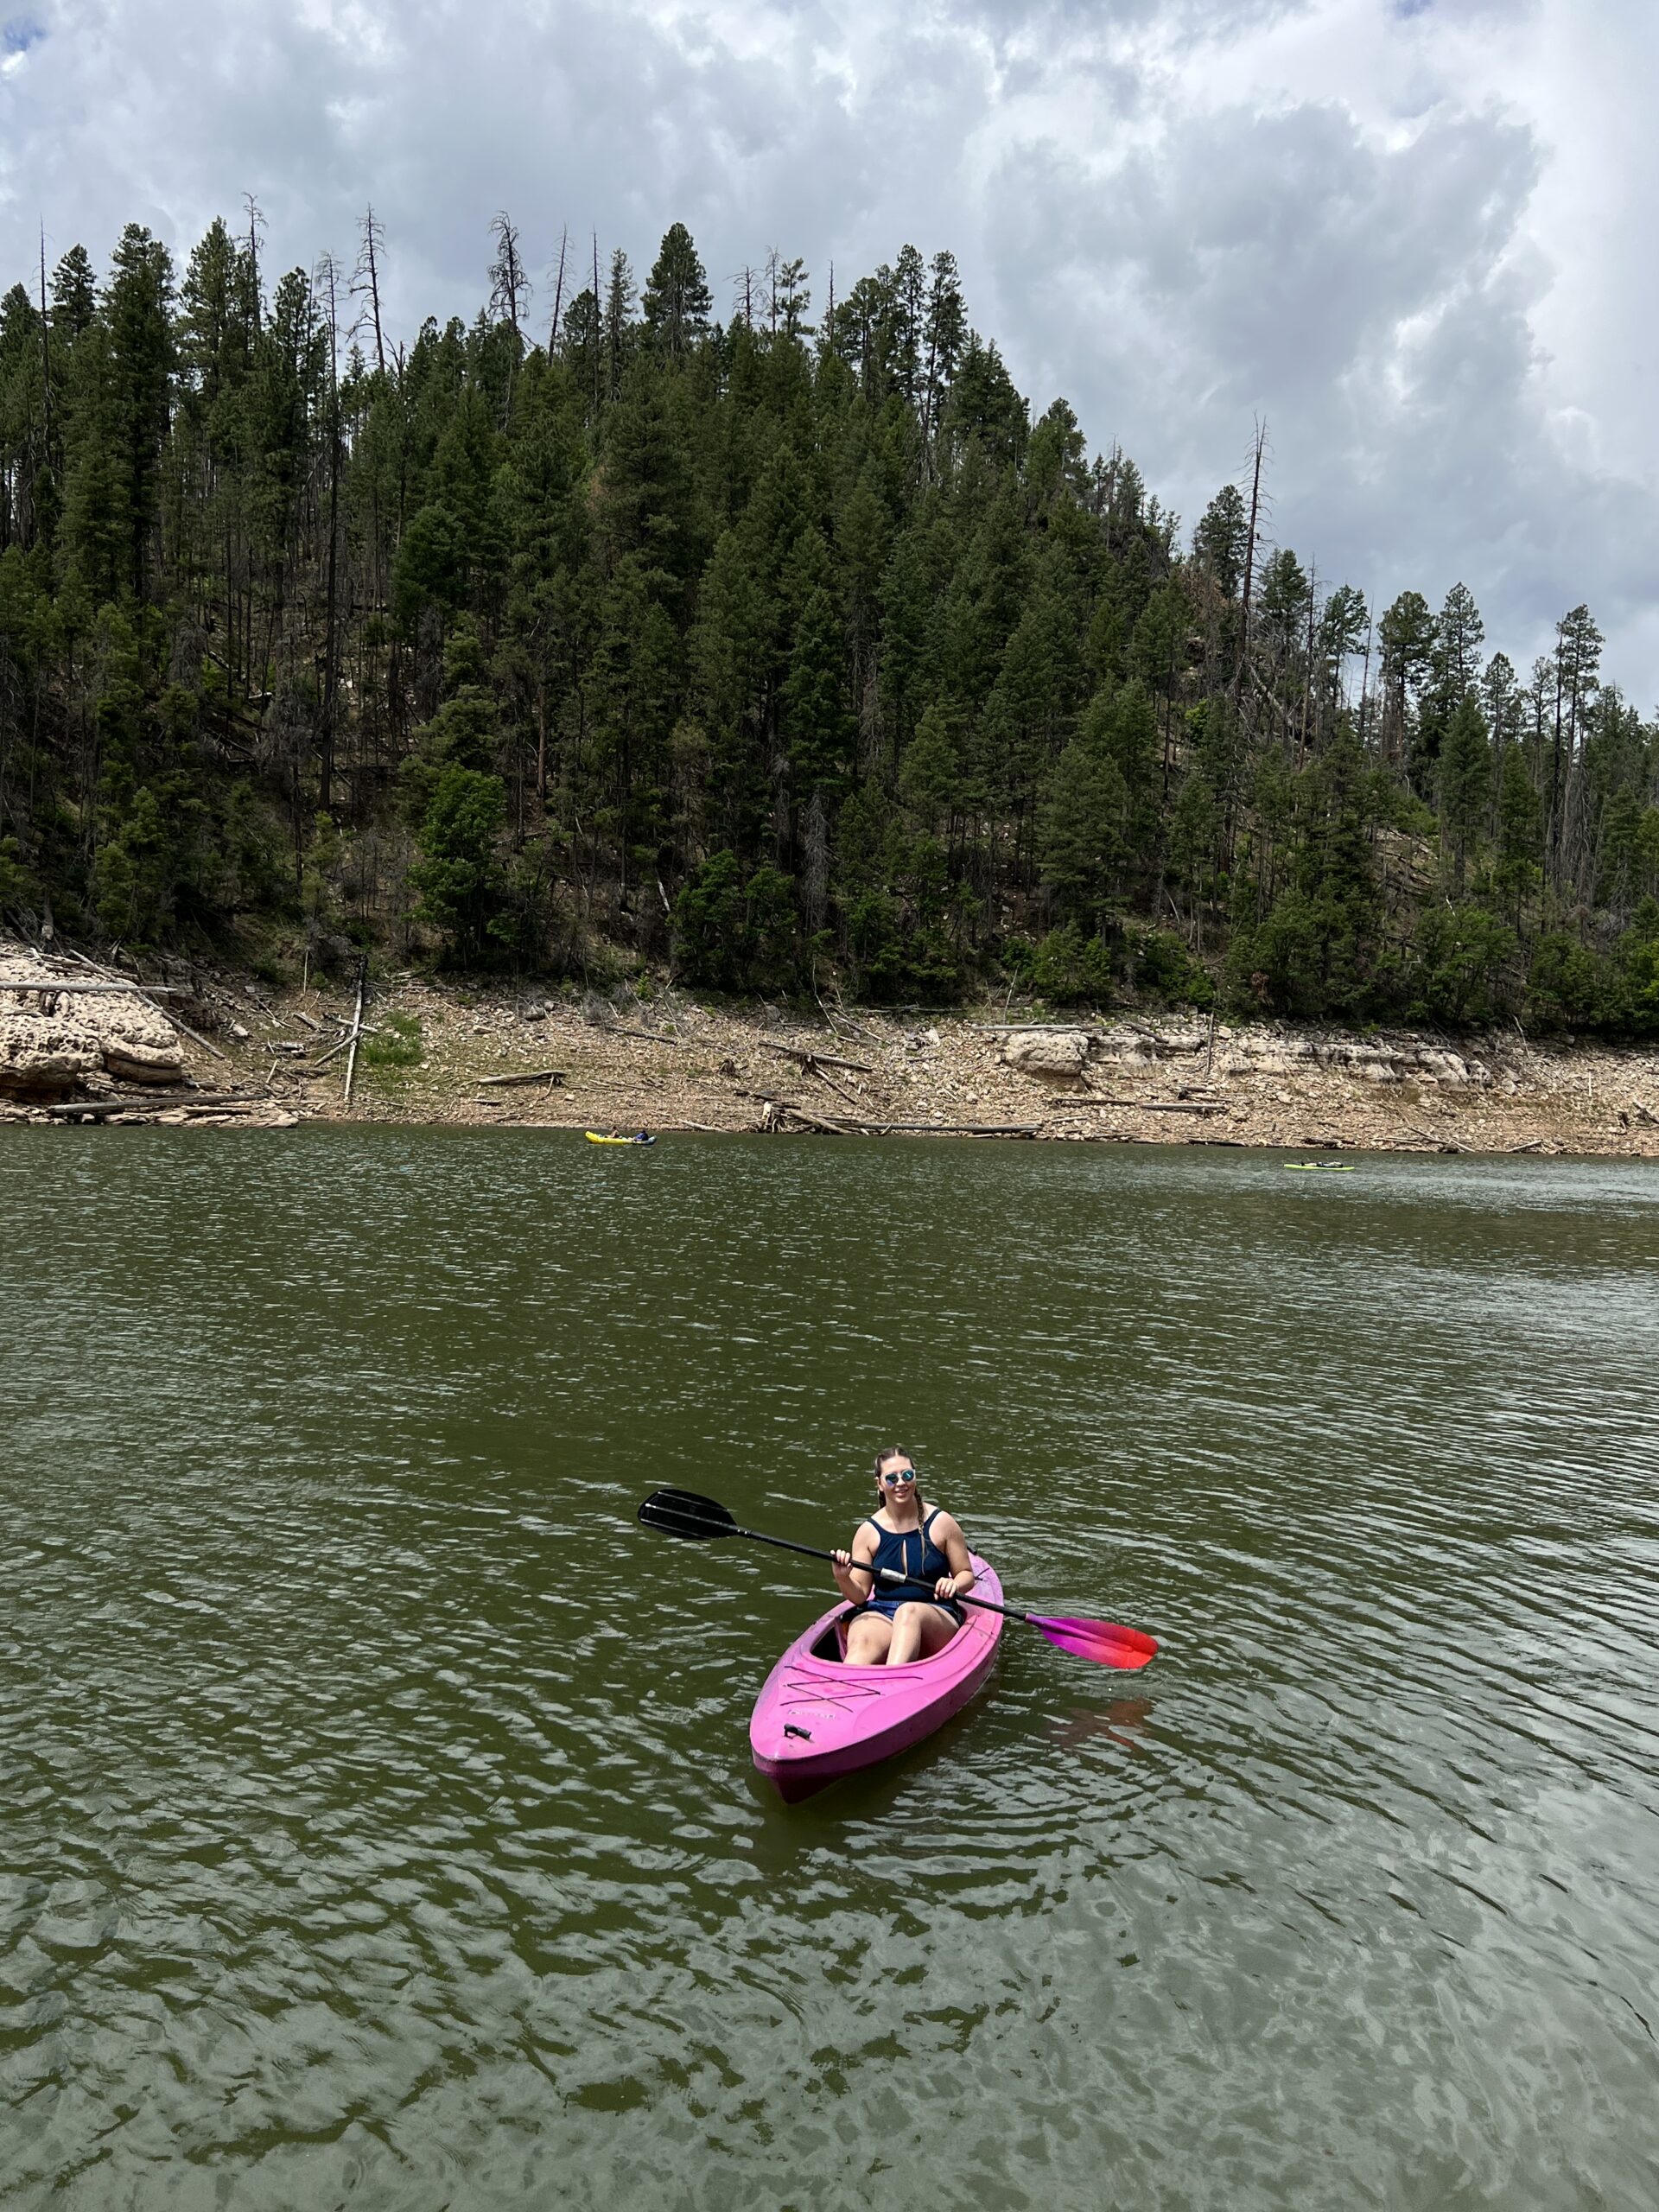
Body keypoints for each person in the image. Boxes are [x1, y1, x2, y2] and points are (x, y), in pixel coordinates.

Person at [830, 1449, 976, 1665]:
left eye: (907, 1475)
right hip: (883, 1612)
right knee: (861, 1645)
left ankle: (892, 1683)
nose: (901, 1483)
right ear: (879, 1484)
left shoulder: (942, 1523)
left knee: (908, 1612)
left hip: (936, 1612)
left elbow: (967, 1575)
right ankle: (845, 1691)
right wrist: (843, 1577)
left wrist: (953, 1583)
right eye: (891, 1478)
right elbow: (860, 1595)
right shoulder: (868, 1532)